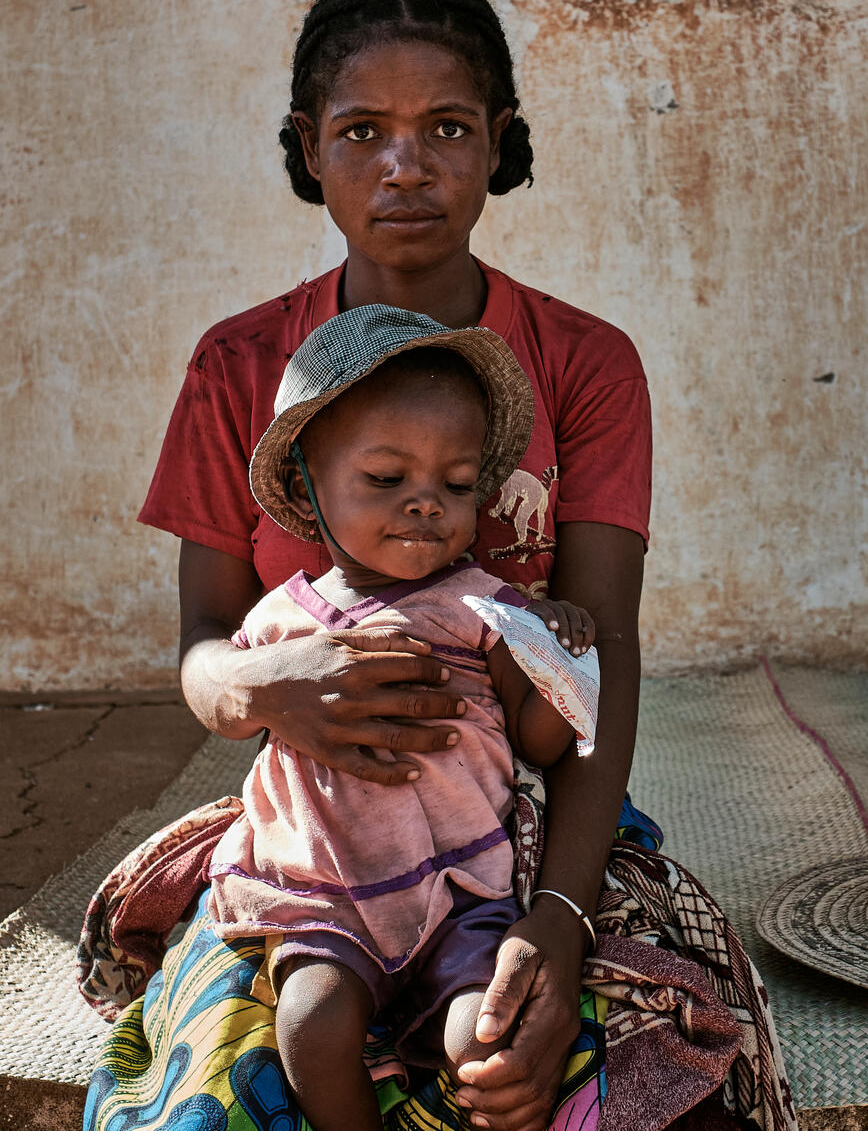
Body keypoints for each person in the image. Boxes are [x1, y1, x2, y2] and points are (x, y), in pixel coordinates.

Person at [108, 0, 657, 1130]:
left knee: (622, 1067)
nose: (405, 165)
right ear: (309, 147)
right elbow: (205, 646)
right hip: (311, 835)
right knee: (216, 1090)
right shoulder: (239, 368)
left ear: (498, 141)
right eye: (362, 129)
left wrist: (556, 919)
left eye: (446, 127)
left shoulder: (584, 362)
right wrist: (264, 682)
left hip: (522, 824)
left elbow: (601, 656)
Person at [209, 306, 603, 1129]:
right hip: (327, 894)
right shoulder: (281, 622)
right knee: (311, 1023)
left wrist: (557, 661)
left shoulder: (483, 607)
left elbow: (538, 741)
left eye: (455, 487)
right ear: (309, 491)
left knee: (484, 1036)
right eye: (387, 481)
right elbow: (233, 709)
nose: (426, 505)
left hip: (461, 884)